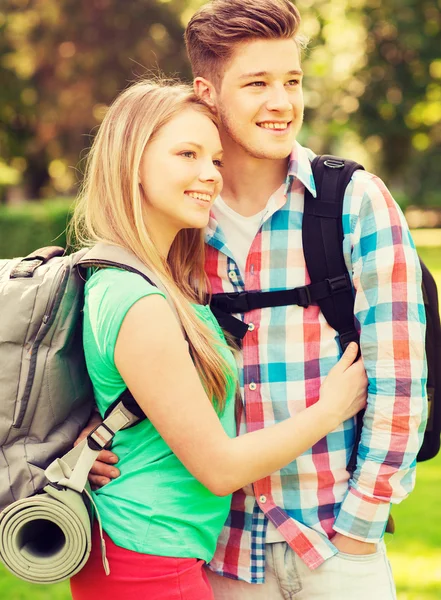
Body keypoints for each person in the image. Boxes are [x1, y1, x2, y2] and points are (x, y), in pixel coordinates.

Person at [85, 1, 427, 598]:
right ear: (207, 92)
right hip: (222, 554)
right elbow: (120, 352)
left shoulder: (353, 201)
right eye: (257, 84)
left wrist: (359, 530)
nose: (282, 102)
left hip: (335, 542)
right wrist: (92, 438)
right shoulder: (177, 218)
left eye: (291, 81)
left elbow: (401, 376)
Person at [69, 79, 367, 600]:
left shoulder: (158, 280)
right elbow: (219, 468)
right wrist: (330, 410)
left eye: (215, 160)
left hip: (151, 552)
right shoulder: (139, 298)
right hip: (147, 560)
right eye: (187, 154)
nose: (209, 174)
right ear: (131, 162)